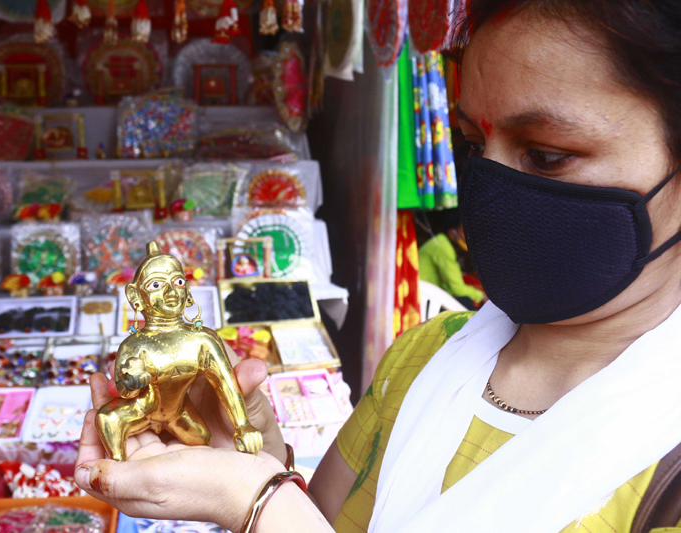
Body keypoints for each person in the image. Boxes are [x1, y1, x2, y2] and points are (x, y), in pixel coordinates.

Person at [74, 1, 681, 531]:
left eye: (547, 156)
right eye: (473, 145)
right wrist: (255, 466)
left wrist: (254, 503)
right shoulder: (423, 359)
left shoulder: (666, 483)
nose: (491, 188)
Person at [418, 209, 485, 309]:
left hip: (425, 294)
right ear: (452, 232)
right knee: (465, 302)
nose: (467, 236)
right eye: (464, 231)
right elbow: (457, 289)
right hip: (422, 298)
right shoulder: (442, 247)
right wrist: (482, 296)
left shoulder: (441, 242)